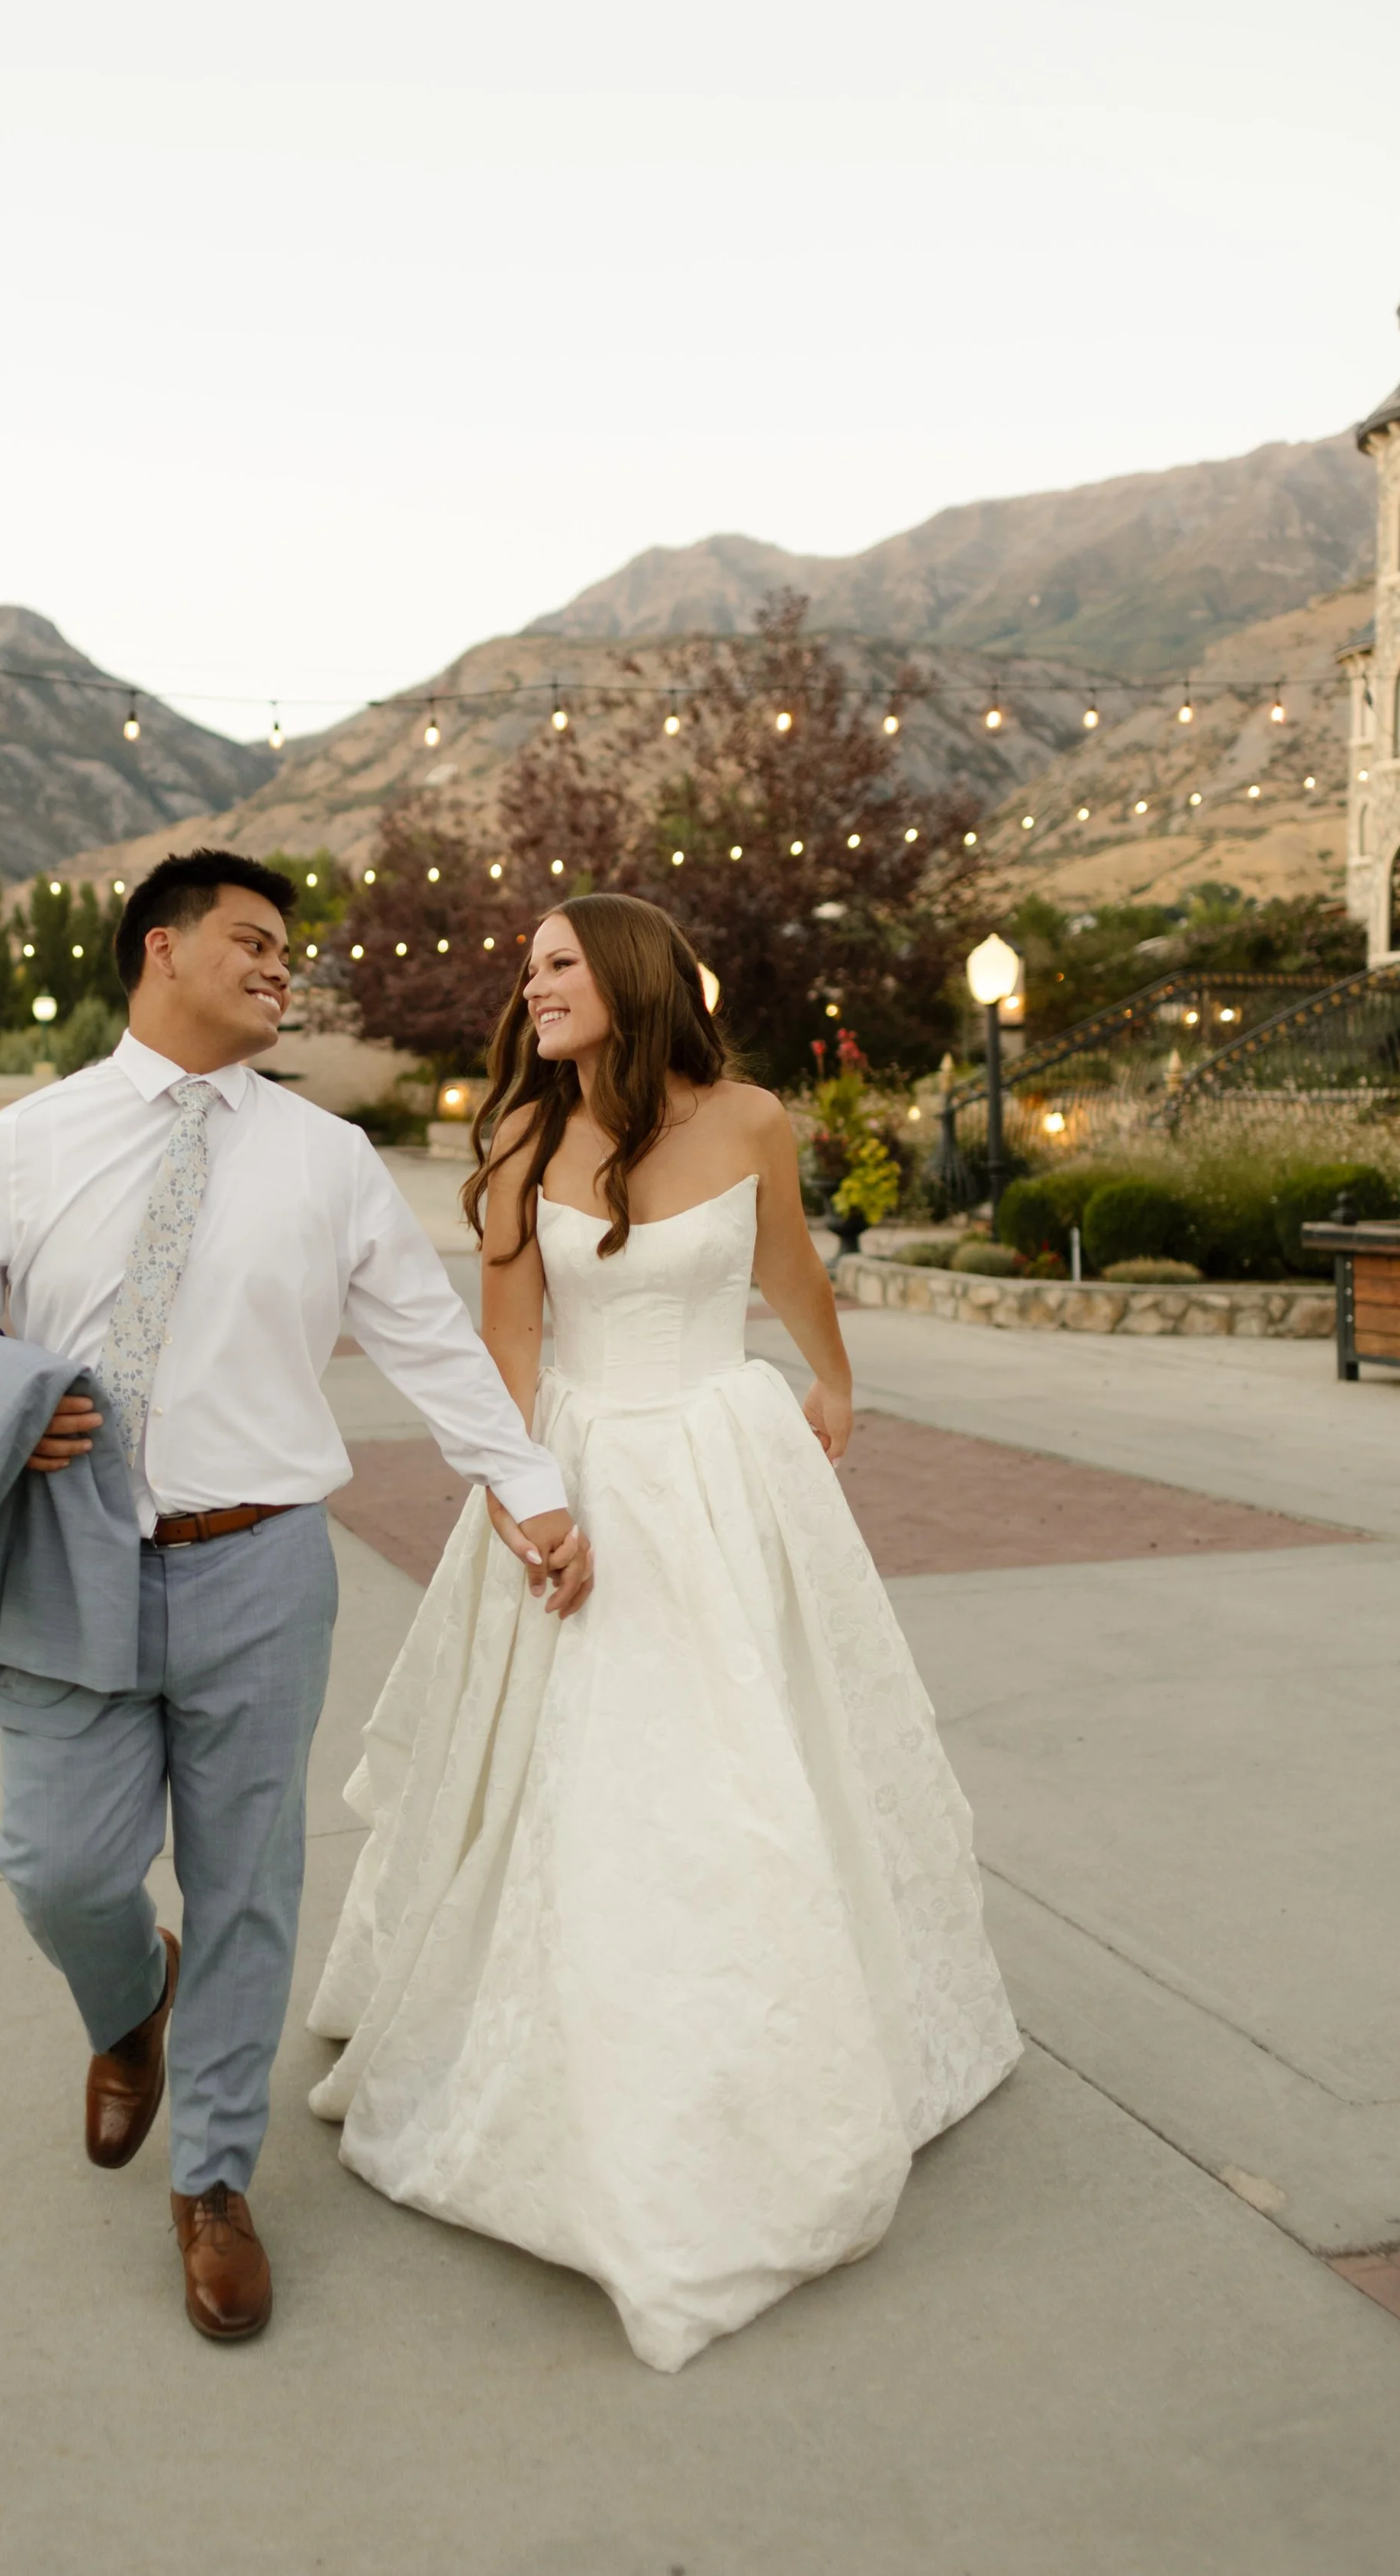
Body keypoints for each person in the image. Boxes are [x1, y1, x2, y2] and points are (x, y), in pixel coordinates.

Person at [0, 849, 592, 2343]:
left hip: (262, 1564)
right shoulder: (30, 1140)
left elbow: (427, 1339)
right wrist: (6, 1391)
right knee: (56, 1868)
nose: (284, 969)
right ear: (161, 949)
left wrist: (524, 1485)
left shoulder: (325, 1159)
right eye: (254, 941)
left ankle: (210, 2181)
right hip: (65, 1553)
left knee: (249, 1886)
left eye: (291, 951)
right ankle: (129, 1997)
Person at [307, 892, 1019, 2372]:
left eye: (557, 963)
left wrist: (832, 1378)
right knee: (593, 1775)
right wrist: (525, 1512)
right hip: (582, 1473)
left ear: (627, 976)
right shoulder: (516, 1144)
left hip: (727, 1462)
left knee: (757, 1754)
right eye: (527, 969)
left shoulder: (750, 1117)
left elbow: (785, 1268)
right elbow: (507, 1353)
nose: (533, 984)